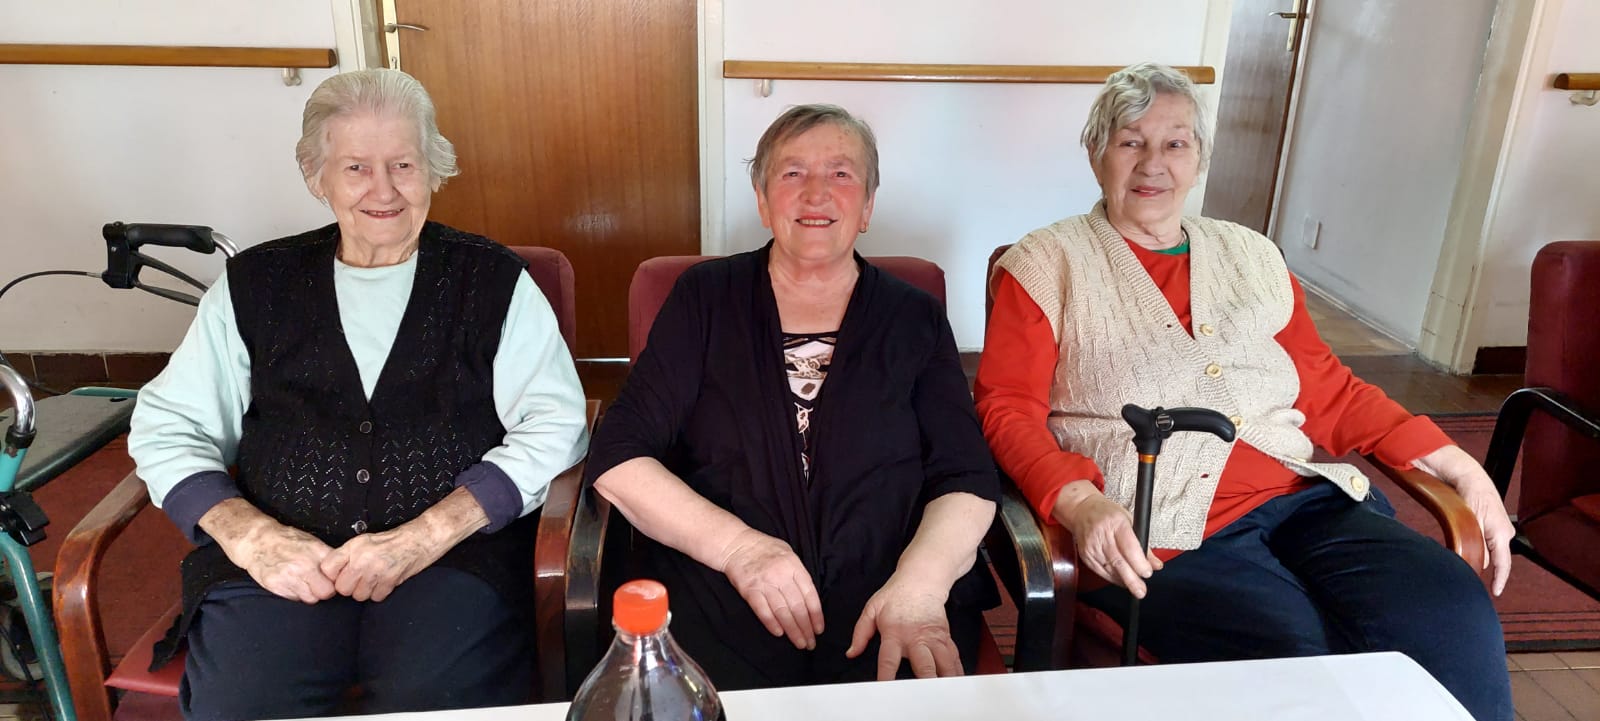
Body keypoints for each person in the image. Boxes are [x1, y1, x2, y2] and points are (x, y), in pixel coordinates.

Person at [974, 62, 1513, 721]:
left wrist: (1459, 466)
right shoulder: (1046, 263)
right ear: (1095, 153)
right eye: (1130, 141)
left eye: (1175, 143)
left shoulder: (1253, 256)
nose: (1153, 163)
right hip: (1162, 531)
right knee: (1297, 661)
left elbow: (1330, 391)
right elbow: (1006, 410)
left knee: (1448, 610)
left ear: (1199, 157)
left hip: (1305, 501)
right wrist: (1079, 502)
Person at [128, 68, 589, 720]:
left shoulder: (492, 281)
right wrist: (251, 536)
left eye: (403, 164)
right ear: (317, 176)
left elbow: (557, 423)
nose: (384, 189)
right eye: (355, 168)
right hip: (279, 564)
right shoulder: (256, 284)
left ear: (434, 170)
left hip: (451, 562)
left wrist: (426, 534)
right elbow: (169, 424)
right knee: (247, 702)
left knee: (438, 703)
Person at [585, 104, 999, 690]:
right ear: (762, 200)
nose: (816, 193)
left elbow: (966, 474)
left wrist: (922, 586)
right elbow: (619, 456)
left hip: (891, 598)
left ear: (867, 206)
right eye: (792, 173)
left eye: (841, 173)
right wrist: (741, 551)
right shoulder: (705, 298)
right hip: (720, 596)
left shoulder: (914, 317)